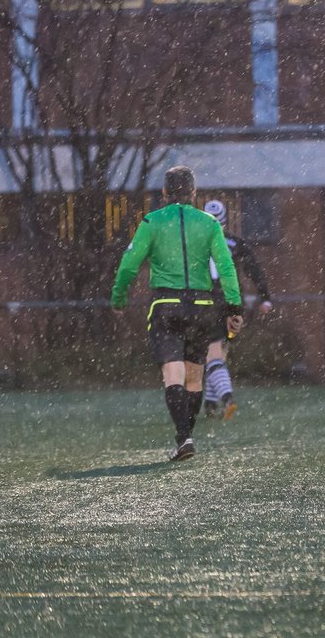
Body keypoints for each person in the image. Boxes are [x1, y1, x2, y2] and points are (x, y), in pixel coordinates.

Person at [110, 166, 243, 461]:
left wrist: (118, 297)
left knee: (173, 374)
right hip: (202, 307)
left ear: (165, 193)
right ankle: (187, 437)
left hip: (165, 306)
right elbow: (226, 266)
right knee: (195, 378)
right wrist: (234, 307)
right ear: (193, 193)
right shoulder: (209, 224)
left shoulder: (151, 221)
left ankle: (183, 438)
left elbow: (129, 264)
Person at [200, 199, 274, 419]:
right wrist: (265, 297)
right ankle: (211, 403)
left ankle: (226, 397)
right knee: (220, 352)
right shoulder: (235, 243)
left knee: (211, 354)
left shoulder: (196, 244)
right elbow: (254, 270)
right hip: (232, 303)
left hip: (205, 302)